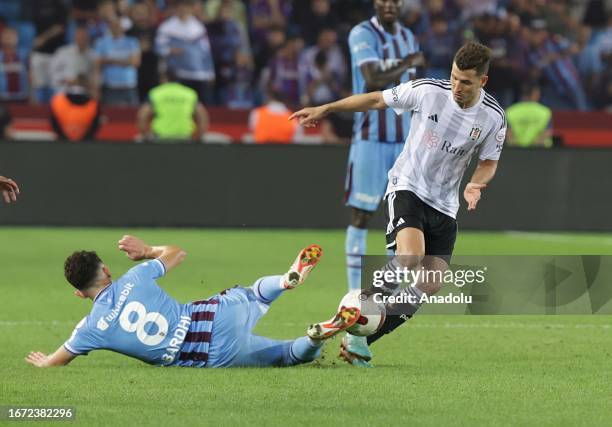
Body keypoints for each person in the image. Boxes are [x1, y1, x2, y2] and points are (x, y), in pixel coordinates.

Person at [291, 41, 506, 367]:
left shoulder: (492, 117)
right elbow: (377, 98)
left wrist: (476, 183)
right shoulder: (427, 91)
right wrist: (327, 108)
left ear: (483, 82)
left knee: (430, 283)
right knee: (409, 256)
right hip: (407, 186)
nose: (456, 87)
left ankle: (360, 337)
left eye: (466, 82)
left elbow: (489, 161)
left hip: (445, 205)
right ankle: (361, 303)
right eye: (453, 77)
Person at [25, 236, 359, 368]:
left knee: (286, 355)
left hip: (210, 353)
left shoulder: (89, 330)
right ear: (107, 270)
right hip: (213, 314)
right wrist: (148, 251)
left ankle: (315, 335)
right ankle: (286, 281)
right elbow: (177, 253)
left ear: (79, 293)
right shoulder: (135, 276)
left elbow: (58, 360)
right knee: (255, 293)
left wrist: (44, 362)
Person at [340, 0, 423, 366]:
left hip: (404, 139)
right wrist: (407, 64)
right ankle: (355, 291)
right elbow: (373, 78)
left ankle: (387, 291)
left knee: (399, 214)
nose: (390, 4)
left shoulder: (408, 35)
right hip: (371, 136)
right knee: (362, 213)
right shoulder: (362, 33)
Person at [136, 70, 208, 141]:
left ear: (163, 78)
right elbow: (202, 116)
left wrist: (146, 135)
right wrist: (199, 136)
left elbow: (143, 116)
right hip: (185, 136)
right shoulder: (190, 93)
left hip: (161, 137)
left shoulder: (155, 93)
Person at [93, 18, 141, 106]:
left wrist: (109, 60)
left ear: (122, 27)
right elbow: (97, 64)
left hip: (129, 86)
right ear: (110, 27)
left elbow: (135, 62)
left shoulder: (132, 42)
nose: (116, 28)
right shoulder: (101, 43)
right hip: (110, 87)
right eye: (113, 26)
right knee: (112, 116)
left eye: (118, 26)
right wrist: (96, 87)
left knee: (132, 116)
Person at [50, 75, 100, 142]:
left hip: (62, 144)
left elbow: (54, 124)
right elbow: (94, 126)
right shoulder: (94, 104)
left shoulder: (57, 101)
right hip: (86, 145)